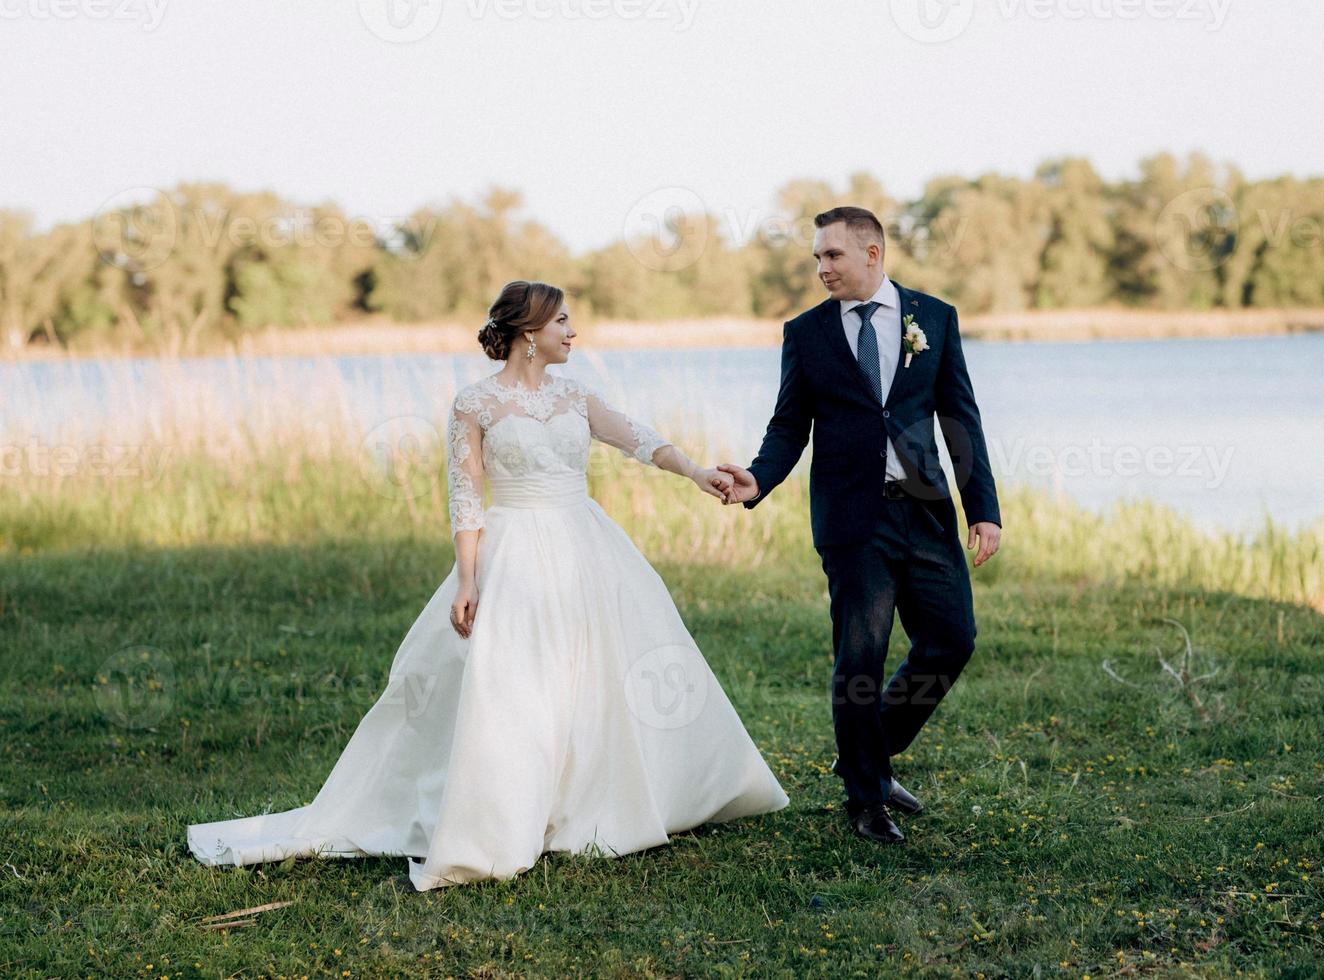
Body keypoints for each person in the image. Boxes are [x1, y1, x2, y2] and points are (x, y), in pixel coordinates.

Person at [187, 280, 789, 891]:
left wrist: (695, 472)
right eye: (562, 321)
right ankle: (509, 808)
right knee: (514, 681)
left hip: (586, 543)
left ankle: (604, 798)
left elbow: (639, 439)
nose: (572, 332)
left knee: (603, 668)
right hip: (516, 549)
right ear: (529, 332)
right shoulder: (475, 405)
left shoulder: (576, 396)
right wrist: (468, 579)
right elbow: (467, 496)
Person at [717, 206, 1002, 845]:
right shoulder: (807, 333)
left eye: (832, 256)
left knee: (951, 640)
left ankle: (865, 753)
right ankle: (866, 797)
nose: (821, 268)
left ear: (872, 254)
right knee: (860, 658)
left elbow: (961, 417)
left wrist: (981, 507)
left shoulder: (934, 318)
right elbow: (790, 423)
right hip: (852, 521)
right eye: (817, 257)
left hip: (924, 511)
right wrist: (758, 478)